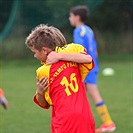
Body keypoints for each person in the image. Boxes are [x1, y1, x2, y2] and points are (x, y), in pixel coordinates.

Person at [25, 24, 95, 133]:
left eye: (35, 52)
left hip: (64, 120)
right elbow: (88, 58)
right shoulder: (72, 50)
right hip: (85, 116)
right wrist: (61, 56)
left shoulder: (43, 71)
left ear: (44, 50)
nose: (35, 56)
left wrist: (39, 92)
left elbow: (44, 104)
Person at [67, 6, 116, 132]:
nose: (69, 18)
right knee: (81, 96)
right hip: (93, 66)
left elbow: (80, 52)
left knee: (90, 95)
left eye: (71, 16)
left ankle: (108, 123)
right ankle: (81, 123)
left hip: (86, 68)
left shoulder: (78, 31)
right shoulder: (88, 30)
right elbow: (95, 50)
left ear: (77, 17)